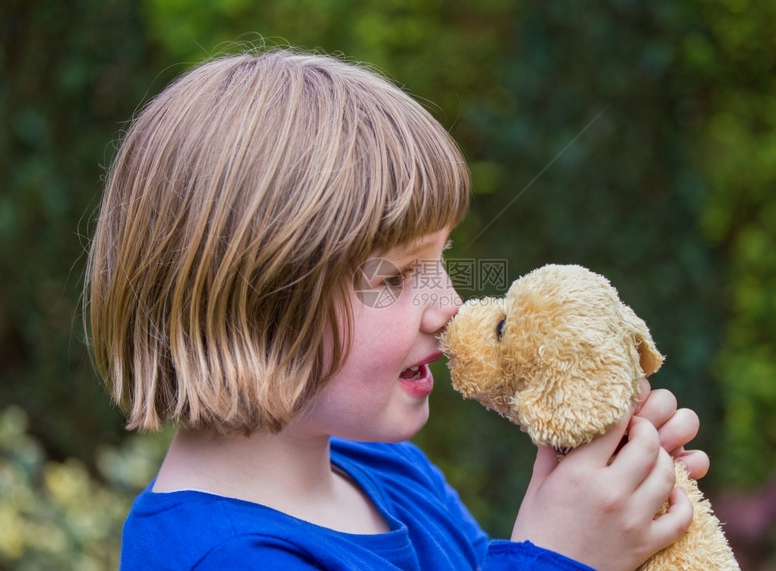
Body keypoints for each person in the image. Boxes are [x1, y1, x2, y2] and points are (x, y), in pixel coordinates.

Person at [84, 48, 709, 570]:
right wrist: (559, 556)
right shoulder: (222, 557)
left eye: (442, 259)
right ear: (252, 302)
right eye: (395, 274)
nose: (450, 305)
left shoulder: (388, 470)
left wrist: (589, 502)